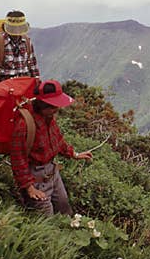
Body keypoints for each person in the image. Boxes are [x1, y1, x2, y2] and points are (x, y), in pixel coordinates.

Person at [10, 79, 92, 216]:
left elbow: (57, 141)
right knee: (45, 216)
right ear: (44, 104)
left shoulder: (49, 118)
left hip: (53, 173)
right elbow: (18, 159)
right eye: (54, 107)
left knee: (64, 207)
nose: (57, 110)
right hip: (35, 177)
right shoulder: (25, 124)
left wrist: (74, 154)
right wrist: (30, 188)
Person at [0, 10, 40, 88]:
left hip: (24, 86)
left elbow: (33, 67)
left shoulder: (27, 42)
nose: (16, 32)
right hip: (6, 87)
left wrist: (38, 87)